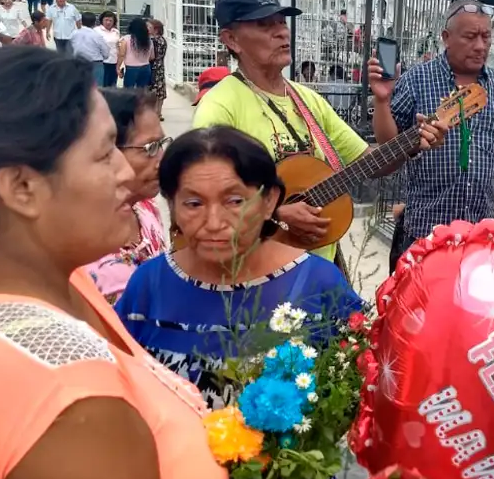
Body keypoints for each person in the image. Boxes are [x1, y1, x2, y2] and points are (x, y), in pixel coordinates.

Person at [0, 45, 241, 479]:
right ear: (21, 187)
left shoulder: (46, 280)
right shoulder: (68, 400)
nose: (126, 171)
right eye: (104, 154)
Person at [193, 0, 445, 266]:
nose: (281, 32)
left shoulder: (308, 100)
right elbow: (201, 196)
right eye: (264, 25)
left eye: (281, 22)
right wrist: (274, 214)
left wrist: (411, 139)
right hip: (254, 273)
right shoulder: (220, 107)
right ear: (231, 39)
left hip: (317, 270)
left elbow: (371, 163)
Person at [115, 125, 364, 410]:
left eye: (234, 201)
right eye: (193, 203)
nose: (214, 222)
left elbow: (360, 391)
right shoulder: (149, 285)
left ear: (269, 201)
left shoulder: (319, 284)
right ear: (171, 204)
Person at [369, 0, 494, 256]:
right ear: (446, 37)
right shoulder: (416, 80)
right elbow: (389, 149)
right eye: (470, 37)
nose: (480, 46)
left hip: (480, 234)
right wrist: (382, 100)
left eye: (486, 37)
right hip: (425, 232)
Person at [85, 89, 170, 304]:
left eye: (161, 144)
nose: (161, 159)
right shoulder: (85, 250)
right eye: (150, 148)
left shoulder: (147, 208)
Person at [70, 12, 111, 86]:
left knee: (79, 87)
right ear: (94, 23)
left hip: (78, 63)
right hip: (95, 64)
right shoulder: (97, 36)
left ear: (81, 21)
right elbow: (106, 53)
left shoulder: (73, 34)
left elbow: (70, 49)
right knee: (96, 88)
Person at [118, 17, 154, 89]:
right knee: (142, 91)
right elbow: (152, 57)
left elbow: (122, 54)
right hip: (146, 67)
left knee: (128, 91)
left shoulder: (126, 39)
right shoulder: (148, 40)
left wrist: (118, 67)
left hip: (131, 68)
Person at [147, 19, 167, 119]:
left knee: (155, 89)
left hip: (154, 67)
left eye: (149, 27)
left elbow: (152, 56)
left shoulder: (155, 41)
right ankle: (158, 113)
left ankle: (156, 113)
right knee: (160, 90)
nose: (147, 29)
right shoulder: (162, 40)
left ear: (156, 29)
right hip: (159, 66)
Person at [96, 10, 121, 87]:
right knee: (102, 84)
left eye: (110, 20)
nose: (108, 22)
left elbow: (117, 46)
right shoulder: (97, 30)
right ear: (102, 20)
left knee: (112, 84)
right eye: (106, 20)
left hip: (114, 61)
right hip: (102, 62)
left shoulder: (116, 32)